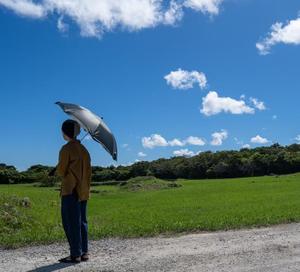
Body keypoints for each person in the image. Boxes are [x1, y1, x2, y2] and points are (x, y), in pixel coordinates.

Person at [50, 119, 92, 263]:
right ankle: (84, 252)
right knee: (82, 222)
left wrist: (57, 169)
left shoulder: (66, 149)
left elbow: (61, 171)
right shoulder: (84, 150)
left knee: (70, 222)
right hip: (83, 191)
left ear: (64, 132)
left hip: (70, 190)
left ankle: (75, 255)